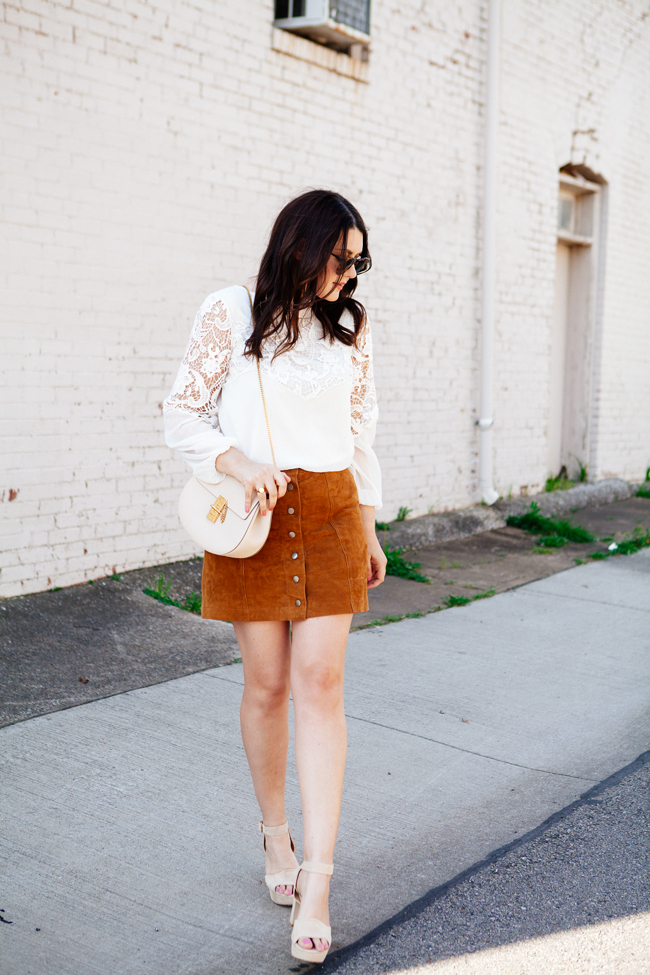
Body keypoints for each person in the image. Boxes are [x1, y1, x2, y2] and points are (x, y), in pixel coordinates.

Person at [163, 189, 386, 964]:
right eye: (338, 256)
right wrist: (241, 461)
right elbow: (183, 413)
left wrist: (368, 523)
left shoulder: (351, 331)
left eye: (357, 262)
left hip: (328, 511)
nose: (347, 275)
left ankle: (318, 882)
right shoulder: (231, 312)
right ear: (301, 243)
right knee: (266, 685)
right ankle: (275, 835)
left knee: (321, 682)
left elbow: (359, 433)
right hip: (253, 509)